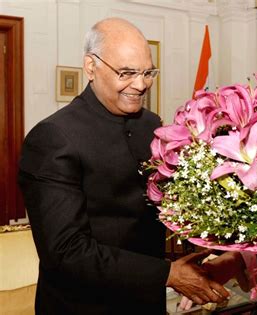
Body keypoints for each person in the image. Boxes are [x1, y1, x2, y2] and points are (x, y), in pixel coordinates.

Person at [17, 17, 229, 315]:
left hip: (146, 302)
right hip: (83, 306)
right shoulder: (54, 137)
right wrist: (168, 274)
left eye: (148, 72)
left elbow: (166, 203)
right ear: (91, 67)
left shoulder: (151, 124)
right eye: (127, 73)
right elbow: (66, 252)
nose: (141, 84)